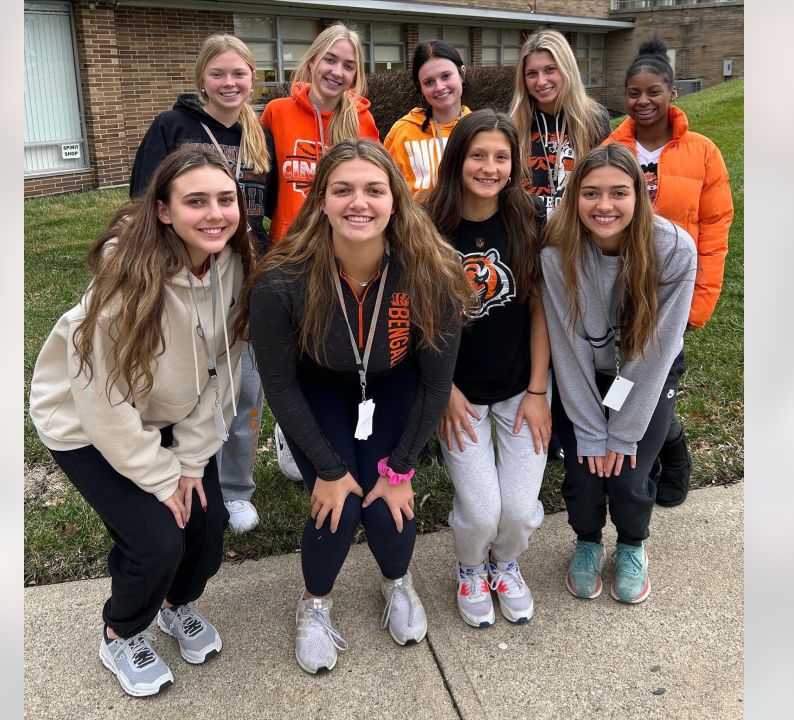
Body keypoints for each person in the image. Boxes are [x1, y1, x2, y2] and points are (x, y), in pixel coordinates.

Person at [237, 139, 469, 673]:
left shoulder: (433, 271)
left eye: (373, 190)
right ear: (320, 200)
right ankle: (314, 604)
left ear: (396, 201)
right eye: (342, 189)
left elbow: (437, 383)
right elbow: (279, 384)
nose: (357, 203)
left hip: (391, 386)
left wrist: (403, 466)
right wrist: (328, 468)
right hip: (317, 389)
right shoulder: (280, 279)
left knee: (388, 512)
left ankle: (397, 583)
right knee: (337, 511)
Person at [29, 148, 253, 697]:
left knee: (205, 526)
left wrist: (192, 464)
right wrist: (159, 477)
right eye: (195, 201)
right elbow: (101, 400)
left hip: (168, 415)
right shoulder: (127, 279)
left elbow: (224, 371)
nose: (215, 214)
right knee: (156, 539)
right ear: (163, 210)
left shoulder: (234, 264)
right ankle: (121, 633)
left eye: (226, 200)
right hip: (85, 425)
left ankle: (176, 607)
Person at [127, 33, 278, 531]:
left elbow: (267, 211)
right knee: (185, 385)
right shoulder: (173, 127)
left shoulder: (259, 136)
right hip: (179, 278)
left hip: (242, 277)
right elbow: (141, 206)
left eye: (239, 73)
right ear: (202, 80)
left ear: (253, 78)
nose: (230, 83)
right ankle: (180, 473)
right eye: (219, 74)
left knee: (244, 389)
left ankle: (234, 489)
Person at [539, 144, 696, 605]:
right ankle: (587, 541)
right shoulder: (556, 250)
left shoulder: (673, 249)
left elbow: (656, 352)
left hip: (648, 370)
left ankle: (631, 545)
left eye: (617, 193)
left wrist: (622, 434)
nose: (603, 205)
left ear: (641, 194)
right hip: (584, 372)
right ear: (574, 197)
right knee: (585, 473)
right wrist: (591, 433)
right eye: (590, 193)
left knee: (627, 475)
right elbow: (568, 352)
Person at [422, 109, 551, 627]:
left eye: (501, 156)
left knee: (517, 511)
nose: (489, 166)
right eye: (479, 154)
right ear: (458, 159)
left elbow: (541, 305)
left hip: (522, 387)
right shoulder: (429, 223)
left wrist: (539, 390)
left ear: (514, 163)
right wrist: (444, 390)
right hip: (459, 394)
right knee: (479, 511)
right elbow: (420, 317)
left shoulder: (529, 218)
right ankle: (471, 565)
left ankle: (505, 563)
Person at [602, 37, 734, 507]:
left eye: (653, 91)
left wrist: (699, 302)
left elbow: (715, 229)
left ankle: (670, 455)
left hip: (673, 293)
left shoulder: (702, 152)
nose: (642, 101)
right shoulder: (610, 149)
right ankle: (664, 444)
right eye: (634, 93)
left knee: (658, 381)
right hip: (622, 291)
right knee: (625, 378)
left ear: (672, 93)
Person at [261, 23, 380, 245]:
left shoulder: (362, 120)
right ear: (313, 60)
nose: (337, 72)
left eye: (348, 66)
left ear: (355, 75)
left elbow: (375, 186)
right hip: (289, 245)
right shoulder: (277, 112)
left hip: (341, 244)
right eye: (330, 59)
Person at [508, 29, 612, 218]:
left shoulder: (595, 119)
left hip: (578, 232)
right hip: (526, 234)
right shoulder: (513, 125)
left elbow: (607, 179)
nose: (541, 81)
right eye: (532, 73)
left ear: (566, 69)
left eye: (550, 70)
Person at [383, 40, 472, 202]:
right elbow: (386, 189)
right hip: (418, 225)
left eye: (446, 76)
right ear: (420, 87)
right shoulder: (403, 131)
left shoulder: (480, 130)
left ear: (462, 73)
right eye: (429, 82)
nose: (439, 87)